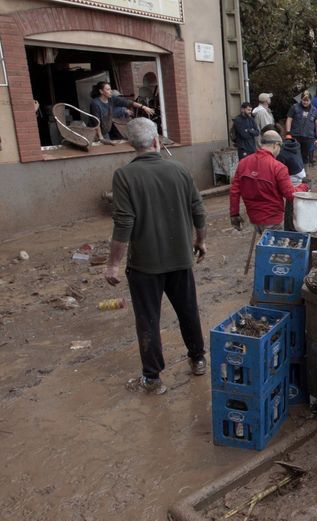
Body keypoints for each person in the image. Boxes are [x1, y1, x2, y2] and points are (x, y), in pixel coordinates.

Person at [105, 118, 207, 395]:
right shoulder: (179, 170)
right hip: (180, 258)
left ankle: (152, 378)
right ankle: (198, 359)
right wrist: (201, 241)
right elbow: (198, 209)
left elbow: (124, 222)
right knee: (188, 310)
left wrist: (113, 264)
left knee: (147, 319)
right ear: (156, 141)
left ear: (130, 145)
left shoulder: (124, 176)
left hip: (144, 265)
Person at [229, 130, 296, 232]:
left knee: (264, 243)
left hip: (254, 218)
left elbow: (234, 192)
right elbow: (291, 195)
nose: (279, 151)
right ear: (275, 145)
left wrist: (234, 214)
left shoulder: (243, 163)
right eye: (279, 148)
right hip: (273, 219)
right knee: (275, 246)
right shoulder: (278, 167)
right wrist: (304, 186)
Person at [89, 81, 154, 141]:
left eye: (110, 89)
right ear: (101, 91)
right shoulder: (95, 103)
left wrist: (143, 107)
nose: (111, 91)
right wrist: (101, 137)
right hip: (95, 133)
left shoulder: (111, 99)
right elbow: (96, 122)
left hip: (105, 133)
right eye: (108, 89)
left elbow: (127, 102)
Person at [285, 90, 317, 170]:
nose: (305, 102)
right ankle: (294, 173)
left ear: (310, 101)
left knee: (305, 156)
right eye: (304, 100)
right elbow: (289, 119)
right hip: (295, 136)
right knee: (294, 155)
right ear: (301, 99)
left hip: (308, 137)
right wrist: (288, 132)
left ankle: (305, 174)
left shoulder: (314, 110)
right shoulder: (294, 107)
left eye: (307, 100)